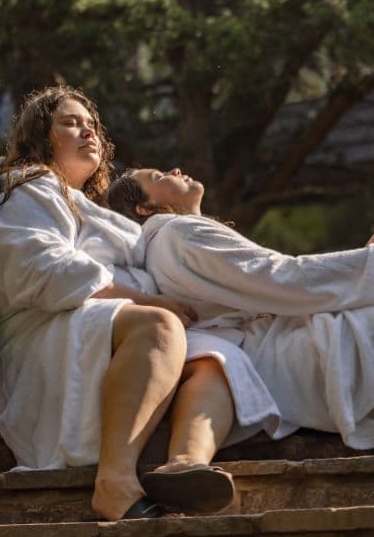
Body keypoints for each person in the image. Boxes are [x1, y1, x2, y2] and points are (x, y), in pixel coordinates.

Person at [0, 86, 281, 522]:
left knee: (218, 358)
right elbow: (41, 270)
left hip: (109, 328)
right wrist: (146, 300)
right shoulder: (30, 187)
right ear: (39, 138)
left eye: (90, 124)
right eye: (69, 122)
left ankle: (185, 464)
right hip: (47, 334)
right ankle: (115, 482)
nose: (86, 130)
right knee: (158, 326)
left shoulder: (100, 211)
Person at [108, 167, 374, 451]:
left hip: (273, 345)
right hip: (278, 356)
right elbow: (280, 279)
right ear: (144, 208)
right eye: (159, 177)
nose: (174, 170)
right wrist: (367, 262)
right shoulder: (178, 233)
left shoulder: (170, 241)